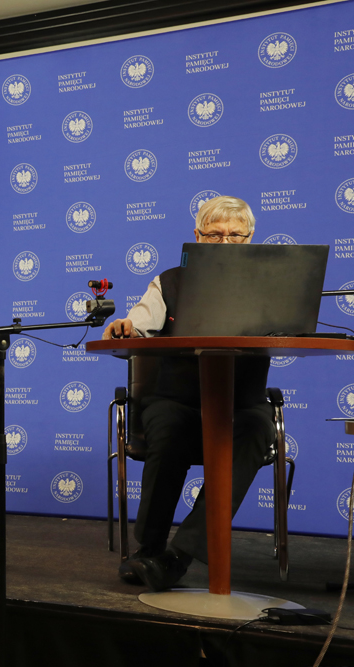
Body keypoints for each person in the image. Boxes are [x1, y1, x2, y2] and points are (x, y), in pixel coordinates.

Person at [102, 196, 275, 591]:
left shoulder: (270, 282)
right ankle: (148, 548)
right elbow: (141, 322)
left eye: (235, 236)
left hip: (241, 403)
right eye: (215, 235)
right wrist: (124, 325)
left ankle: (178, 557)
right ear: (196, 237)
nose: (225, 242)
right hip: (176, 397)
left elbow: (290, 330)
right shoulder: (169, 281)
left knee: (254, 431)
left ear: (250, 238)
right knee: (168, 430)